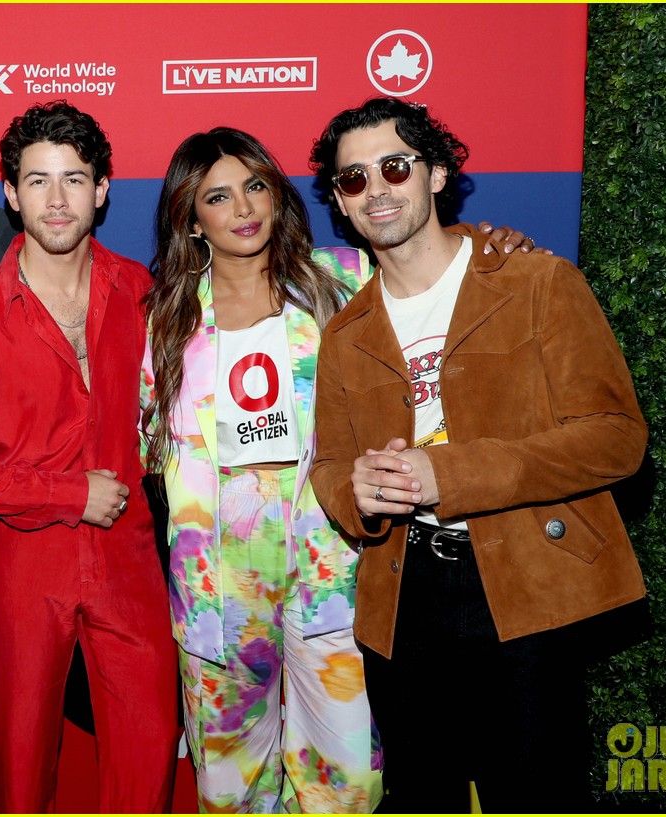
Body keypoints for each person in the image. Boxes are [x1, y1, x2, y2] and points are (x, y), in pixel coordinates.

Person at [139, 127, 538, 813]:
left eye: (256, 185)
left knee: (351, 779)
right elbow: (151, 449)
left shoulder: (343, 279)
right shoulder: (167, 320)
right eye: (218, 196)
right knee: (231, 783)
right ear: (191, 217)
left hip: (332, 554)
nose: (243, 208)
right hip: (219, 577)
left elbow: (430, 269)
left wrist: (493, 247)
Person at [308, 97, 648, 812]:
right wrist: (356, 490)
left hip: (524, 586)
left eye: (395, 167)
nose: (377, 189)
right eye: (353, 179)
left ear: (435, 174)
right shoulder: (345, 333)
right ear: (339, 203)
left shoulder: (537, 284)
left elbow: (616, 436)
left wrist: (451, 472)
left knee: (535, 793)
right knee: (420, 794)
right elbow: (331, 464)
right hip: (401, 601)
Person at [0, 100, 177, 813]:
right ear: (10, 193)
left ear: (103, 189)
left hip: (131, 561)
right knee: (22, 771)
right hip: (24, 566)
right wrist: (66, 493)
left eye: (73, 179)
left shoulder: (144, 294)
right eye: (37, 181)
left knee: (150, 754)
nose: (56, 201)